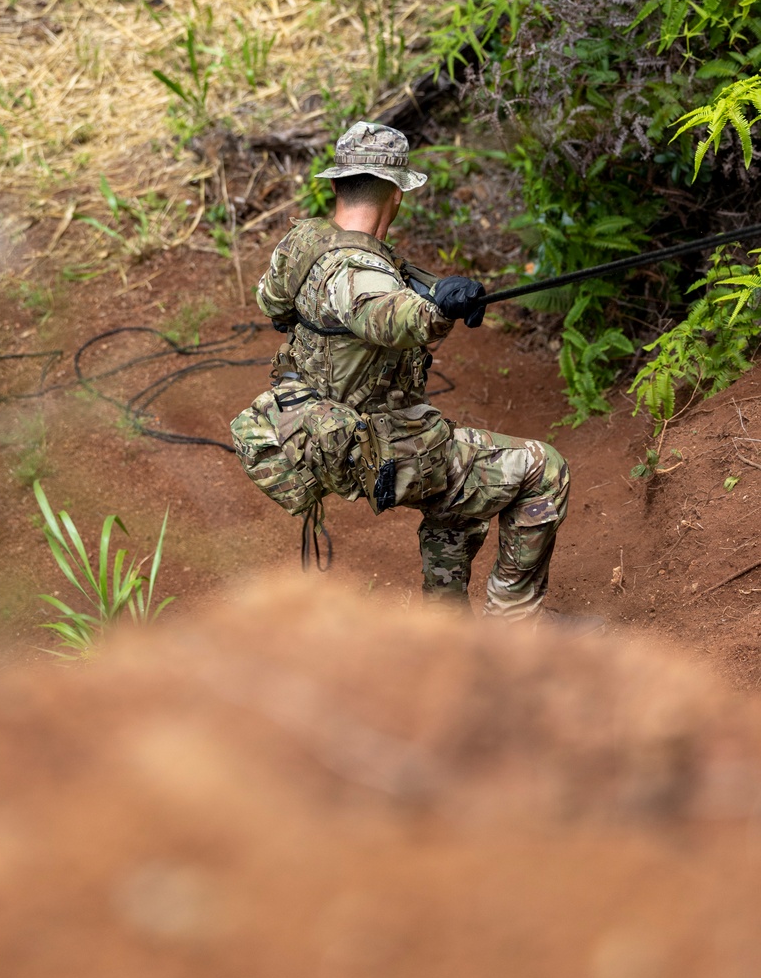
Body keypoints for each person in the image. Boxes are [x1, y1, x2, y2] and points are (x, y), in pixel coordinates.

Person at [231, 120, 590, 626]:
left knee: (456, 480)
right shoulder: (363, 276)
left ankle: (444, 632)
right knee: (542, 469)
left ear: (337, 184)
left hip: (311, 425)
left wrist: (437, 289)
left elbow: (271, 301)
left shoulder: (304, 243)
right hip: (373, 447)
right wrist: (437, 310)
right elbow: (392, 317)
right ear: (397, 193)